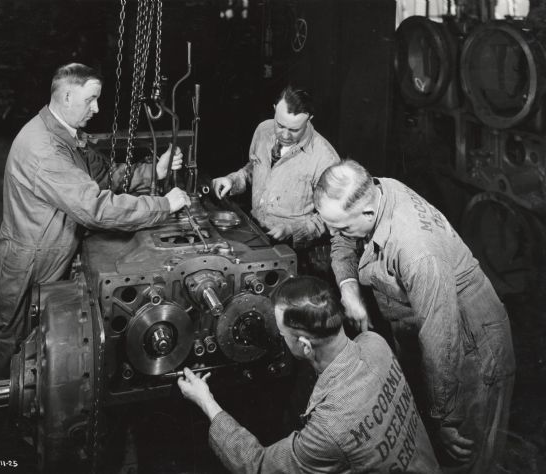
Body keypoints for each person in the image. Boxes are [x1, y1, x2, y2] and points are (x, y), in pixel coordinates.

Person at [0, 63, 191, 377]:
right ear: (67, 96)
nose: (96, 108)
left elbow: (103, 176)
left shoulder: (66, 136)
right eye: (90, 100)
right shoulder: (43, 149)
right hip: (26, 265)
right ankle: (0, 419)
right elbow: (95, 207)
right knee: (12, 346)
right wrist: (163, 205)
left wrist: (155, 172)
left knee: (41, 344)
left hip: (50, 255)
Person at [313, 160, 516, 473]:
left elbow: (441, 337)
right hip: (425, 326)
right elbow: (341, 239)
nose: (336, 233)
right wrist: (348, 287)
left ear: (368, 213)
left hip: (470, 345)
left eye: (343, 226)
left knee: (466, 456)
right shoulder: (374, 193)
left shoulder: (418, 252)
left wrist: (445, 419)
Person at [178, 276, 440, 473]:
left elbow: (257, 466)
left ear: (304, 346)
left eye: (282, 335)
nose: (279, 338)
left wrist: (205, 400)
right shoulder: (374, 343)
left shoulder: (329, 430)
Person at [211, 85, 339, 251]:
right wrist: (232, 180)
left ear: (309, 119)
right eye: (280, 125)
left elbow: (332, 217)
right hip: (253, 232)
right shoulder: (263, 130)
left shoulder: (325, 158)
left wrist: (293, 230)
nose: (285, 135)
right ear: (274, 110)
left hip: (294, 248)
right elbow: (254, 169)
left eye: (294, 130)